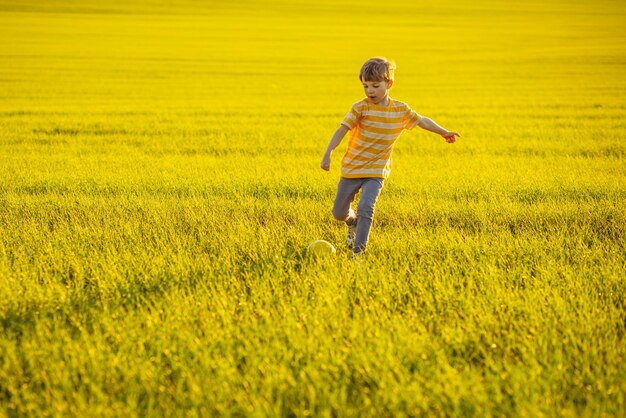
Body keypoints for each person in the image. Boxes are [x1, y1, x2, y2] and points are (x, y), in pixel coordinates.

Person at [320, 57, 460, 255]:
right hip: (352, 167)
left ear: (389, 84)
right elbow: (342, 129)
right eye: (365, 86)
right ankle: (352, 222)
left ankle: (358, 254)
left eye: (375, 86)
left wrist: (444, 132)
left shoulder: (400, 110)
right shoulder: (361, 107)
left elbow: (422, 121)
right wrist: (328, 153)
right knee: (339, 213)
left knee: (366, 207)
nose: (370, 91)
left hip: (377, 170)